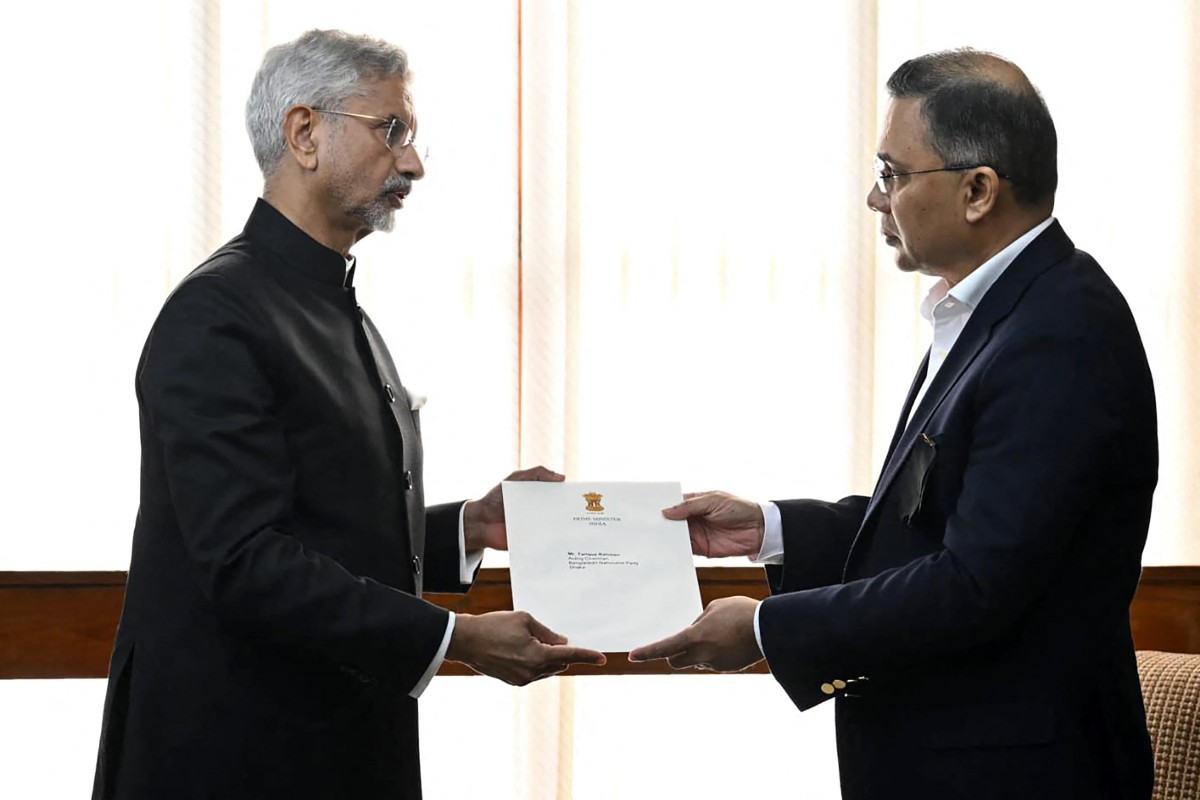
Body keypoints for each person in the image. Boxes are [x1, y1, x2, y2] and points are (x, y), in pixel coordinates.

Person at [91, 29, 604, 800]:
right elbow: (244, 562)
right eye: (391, 130)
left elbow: (329, 530)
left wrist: (468, 527)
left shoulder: (336, 302)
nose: (413, 163)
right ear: (304, 133)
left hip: (334, 745)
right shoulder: (217, 314)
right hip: (236, 758)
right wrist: (454, 638)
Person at [631, 48, 1157, 799]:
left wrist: (764, 630)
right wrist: (772, 528)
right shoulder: (995, 313)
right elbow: (932, 524)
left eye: (893, 174)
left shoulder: (1061, 331)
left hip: (1014, 773)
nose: (877, 200)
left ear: (978, 190)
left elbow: (977, 582)